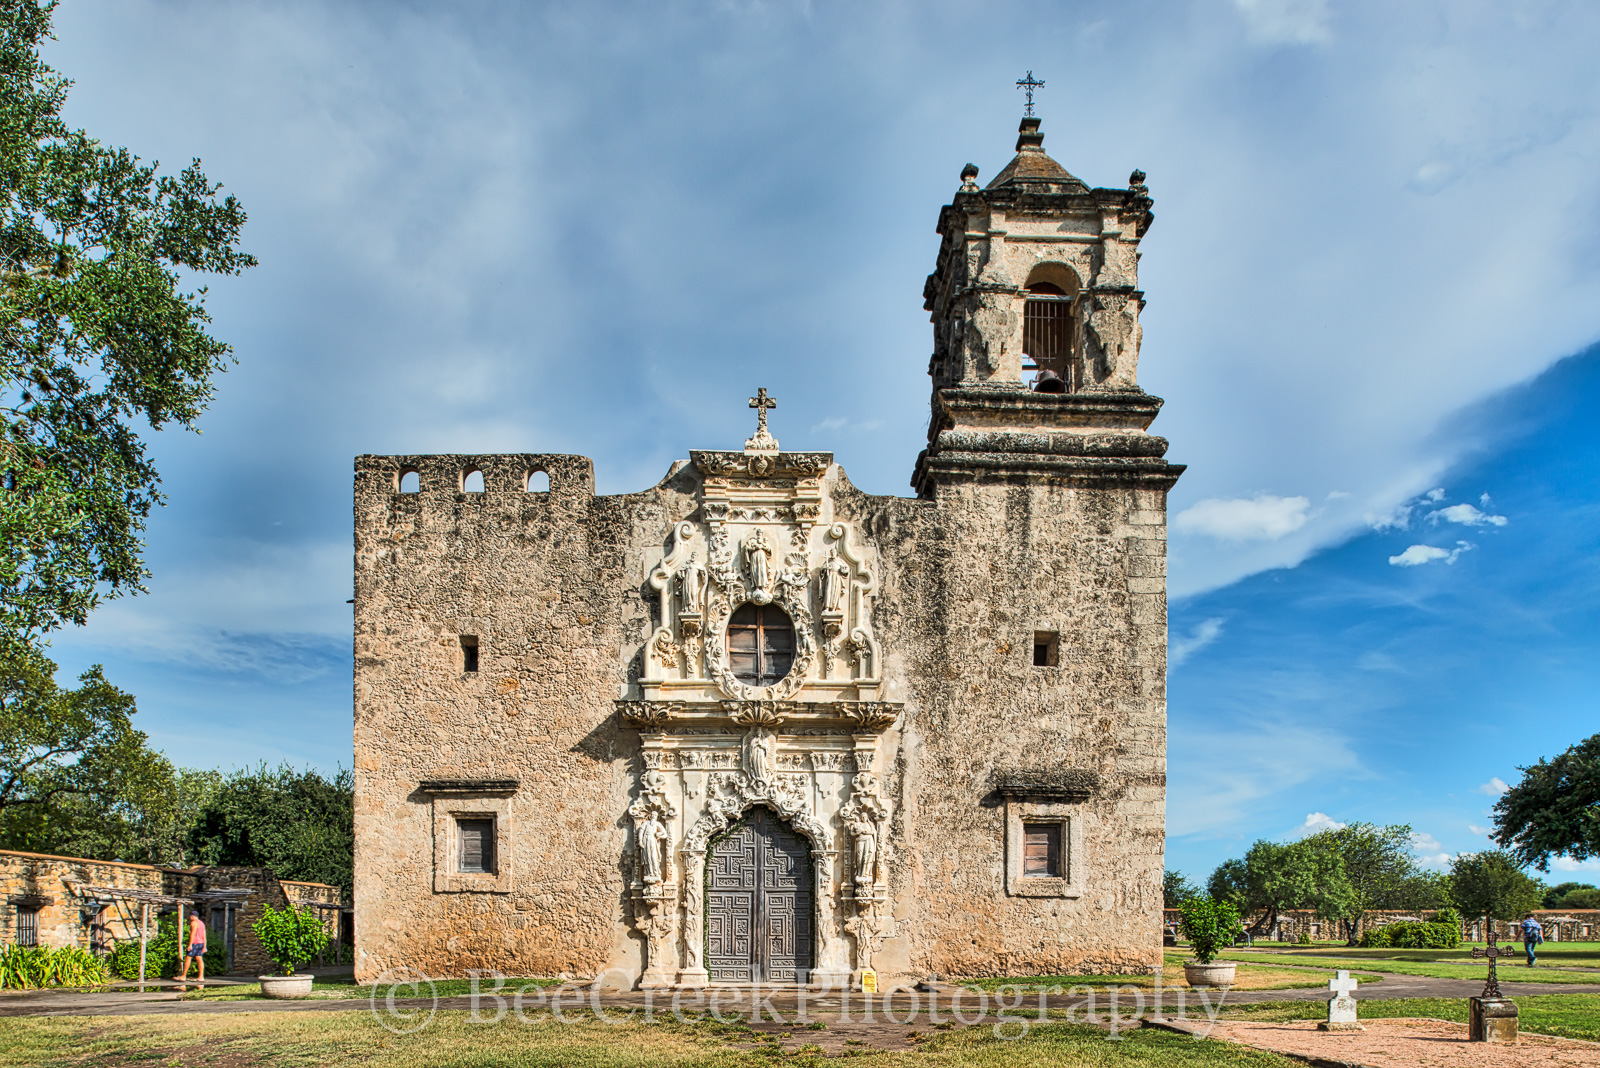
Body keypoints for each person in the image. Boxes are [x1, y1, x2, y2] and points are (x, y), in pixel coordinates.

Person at [176, 911, 207, 990]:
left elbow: (193, 933)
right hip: (201, 943)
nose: (190, 917)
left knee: (188, 958)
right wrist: (204, 946)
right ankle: (201, 977)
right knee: (200, 959)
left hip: (195, 943)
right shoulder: (202, 923)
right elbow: (204, 936)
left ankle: (183, 976)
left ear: (192, 916)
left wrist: (190, 944)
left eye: (190, 916)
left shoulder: (194, 923)